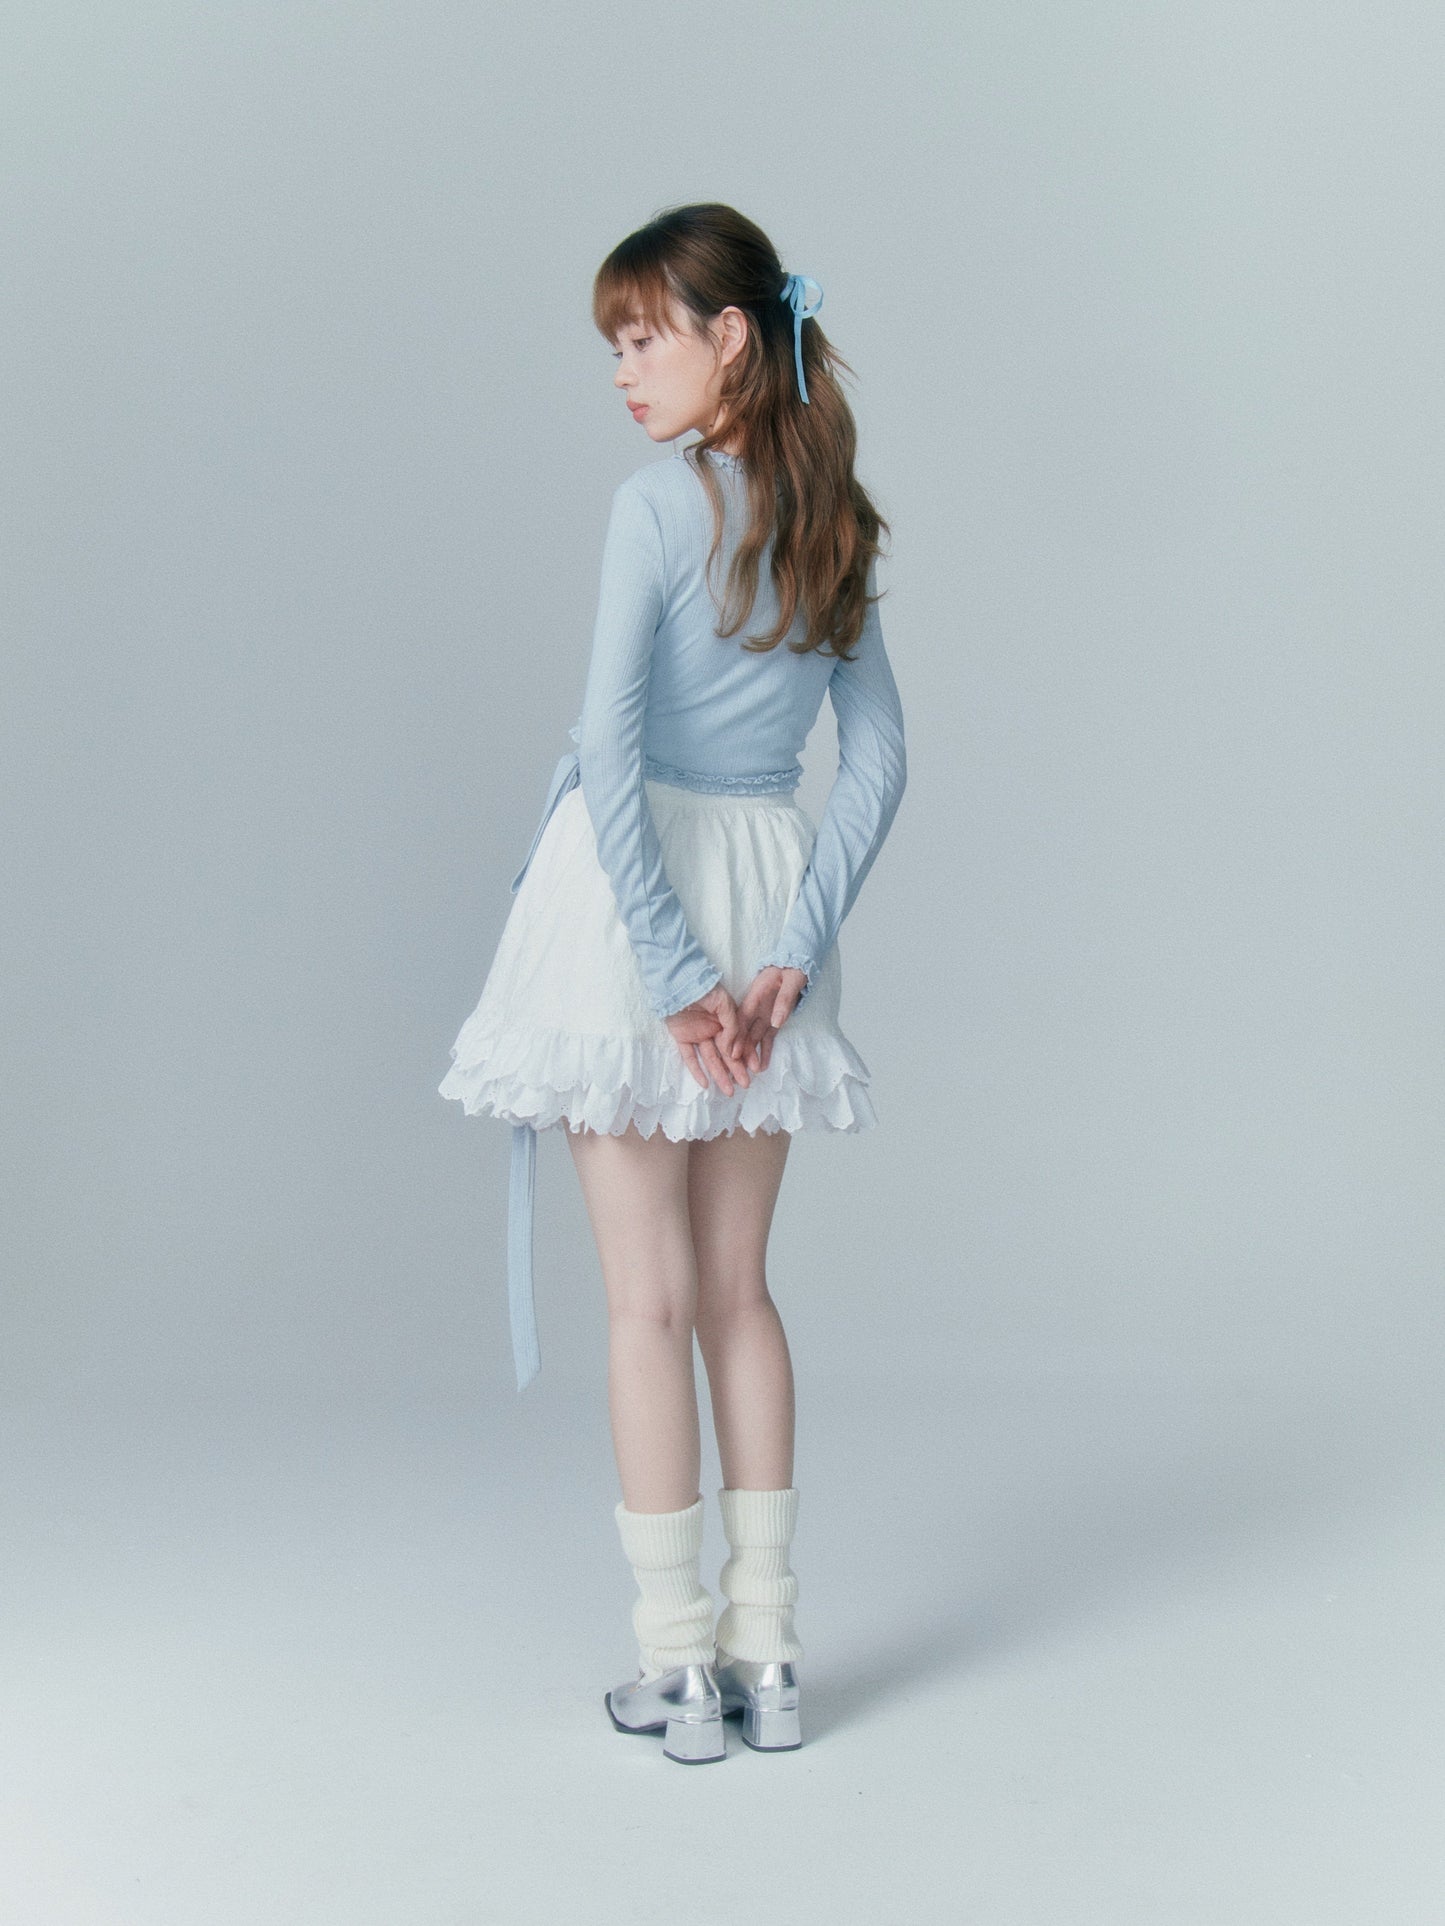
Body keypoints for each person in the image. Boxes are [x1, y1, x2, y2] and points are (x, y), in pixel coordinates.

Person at [438, 202, 907, 1763]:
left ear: (729, 336)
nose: (622, 371)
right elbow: (879, 763)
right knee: (737, 1292)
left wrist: (671, 967)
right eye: (615, 345)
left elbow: (609, 745)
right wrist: (786, 949)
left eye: (643, 338)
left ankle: (678, 1667)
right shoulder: (834, 516)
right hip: (762, 882)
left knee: (644, 1301)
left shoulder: (654, 505)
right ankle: (771, 1654)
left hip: (629, 897)